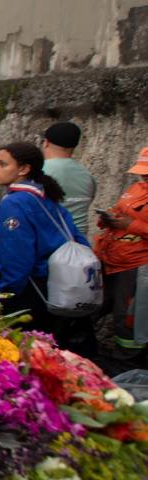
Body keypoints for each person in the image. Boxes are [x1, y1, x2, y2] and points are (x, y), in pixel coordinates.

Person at [0, 141, 89, 334]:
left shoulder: (15, 202)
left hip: (30, 289)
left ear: (24, 169)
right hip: (56, 285)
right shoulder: (44, 196)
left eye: (2, 164)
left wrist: (4, 294)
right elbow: (77, 237)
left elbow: (17, 255)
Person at [93, 144, 148, 359]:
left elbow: (130, 222)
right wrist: (107, 218)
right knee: (105, 306)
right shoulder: (135, 190)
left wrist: (128, 224)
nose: (144, 179)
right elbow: (118, 210)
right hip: (113, 261)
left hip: (138, 264)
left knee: (127, 315)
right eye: (142, 174)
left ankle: (130, 360)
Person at [41, 121, 96, 234]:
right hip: (79, 244)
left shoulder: (38, 172)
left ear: (46, 143)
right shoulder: (87, 175)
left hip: (49, 242)